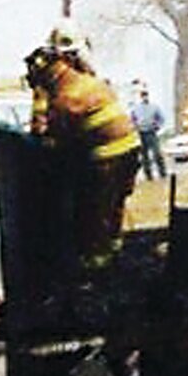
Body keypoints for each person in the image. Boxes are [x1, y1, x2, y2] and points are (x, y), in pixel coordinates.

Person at [25, 33, 140, 272]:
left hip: (107, 158)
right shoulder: (88, 81)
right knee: (114, 203)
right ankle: (114, 249)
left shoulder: (66, 98)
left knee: (93, 207)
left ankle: (96, 264)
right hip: (130, 149)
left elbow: (56, 142)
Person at [129, 82, 167, 180]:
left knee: (157, 153)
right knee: (144, 156)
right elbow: (132, 119)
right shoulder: (135, 108)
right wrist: (134, 126)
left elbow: (162, 118)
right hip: (141, 133)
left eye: (145, 95)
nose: (144, 97)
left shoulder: (154, 107)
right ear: (140, 96)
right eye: (142, 95)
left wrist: (157, 126)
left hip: (151, 133)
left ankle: (163, 173)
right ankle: (148, 175)